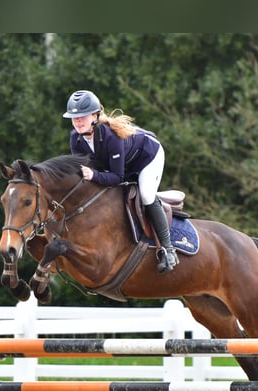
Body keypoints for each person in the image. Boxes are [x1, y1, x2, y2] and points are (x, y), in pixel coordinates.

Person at [63, 89, 178, 273]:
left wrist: (94, 176)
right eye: (74, 118)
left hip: (148, 157)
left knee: (147, 195)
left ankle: (168, 250)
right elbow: (86, 172)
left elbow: (117, 177)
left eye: (82, 117)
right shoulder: (75, 139)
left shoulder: (110, 137)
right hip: (124, 165)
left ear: (95, 115)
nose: (77, 122)